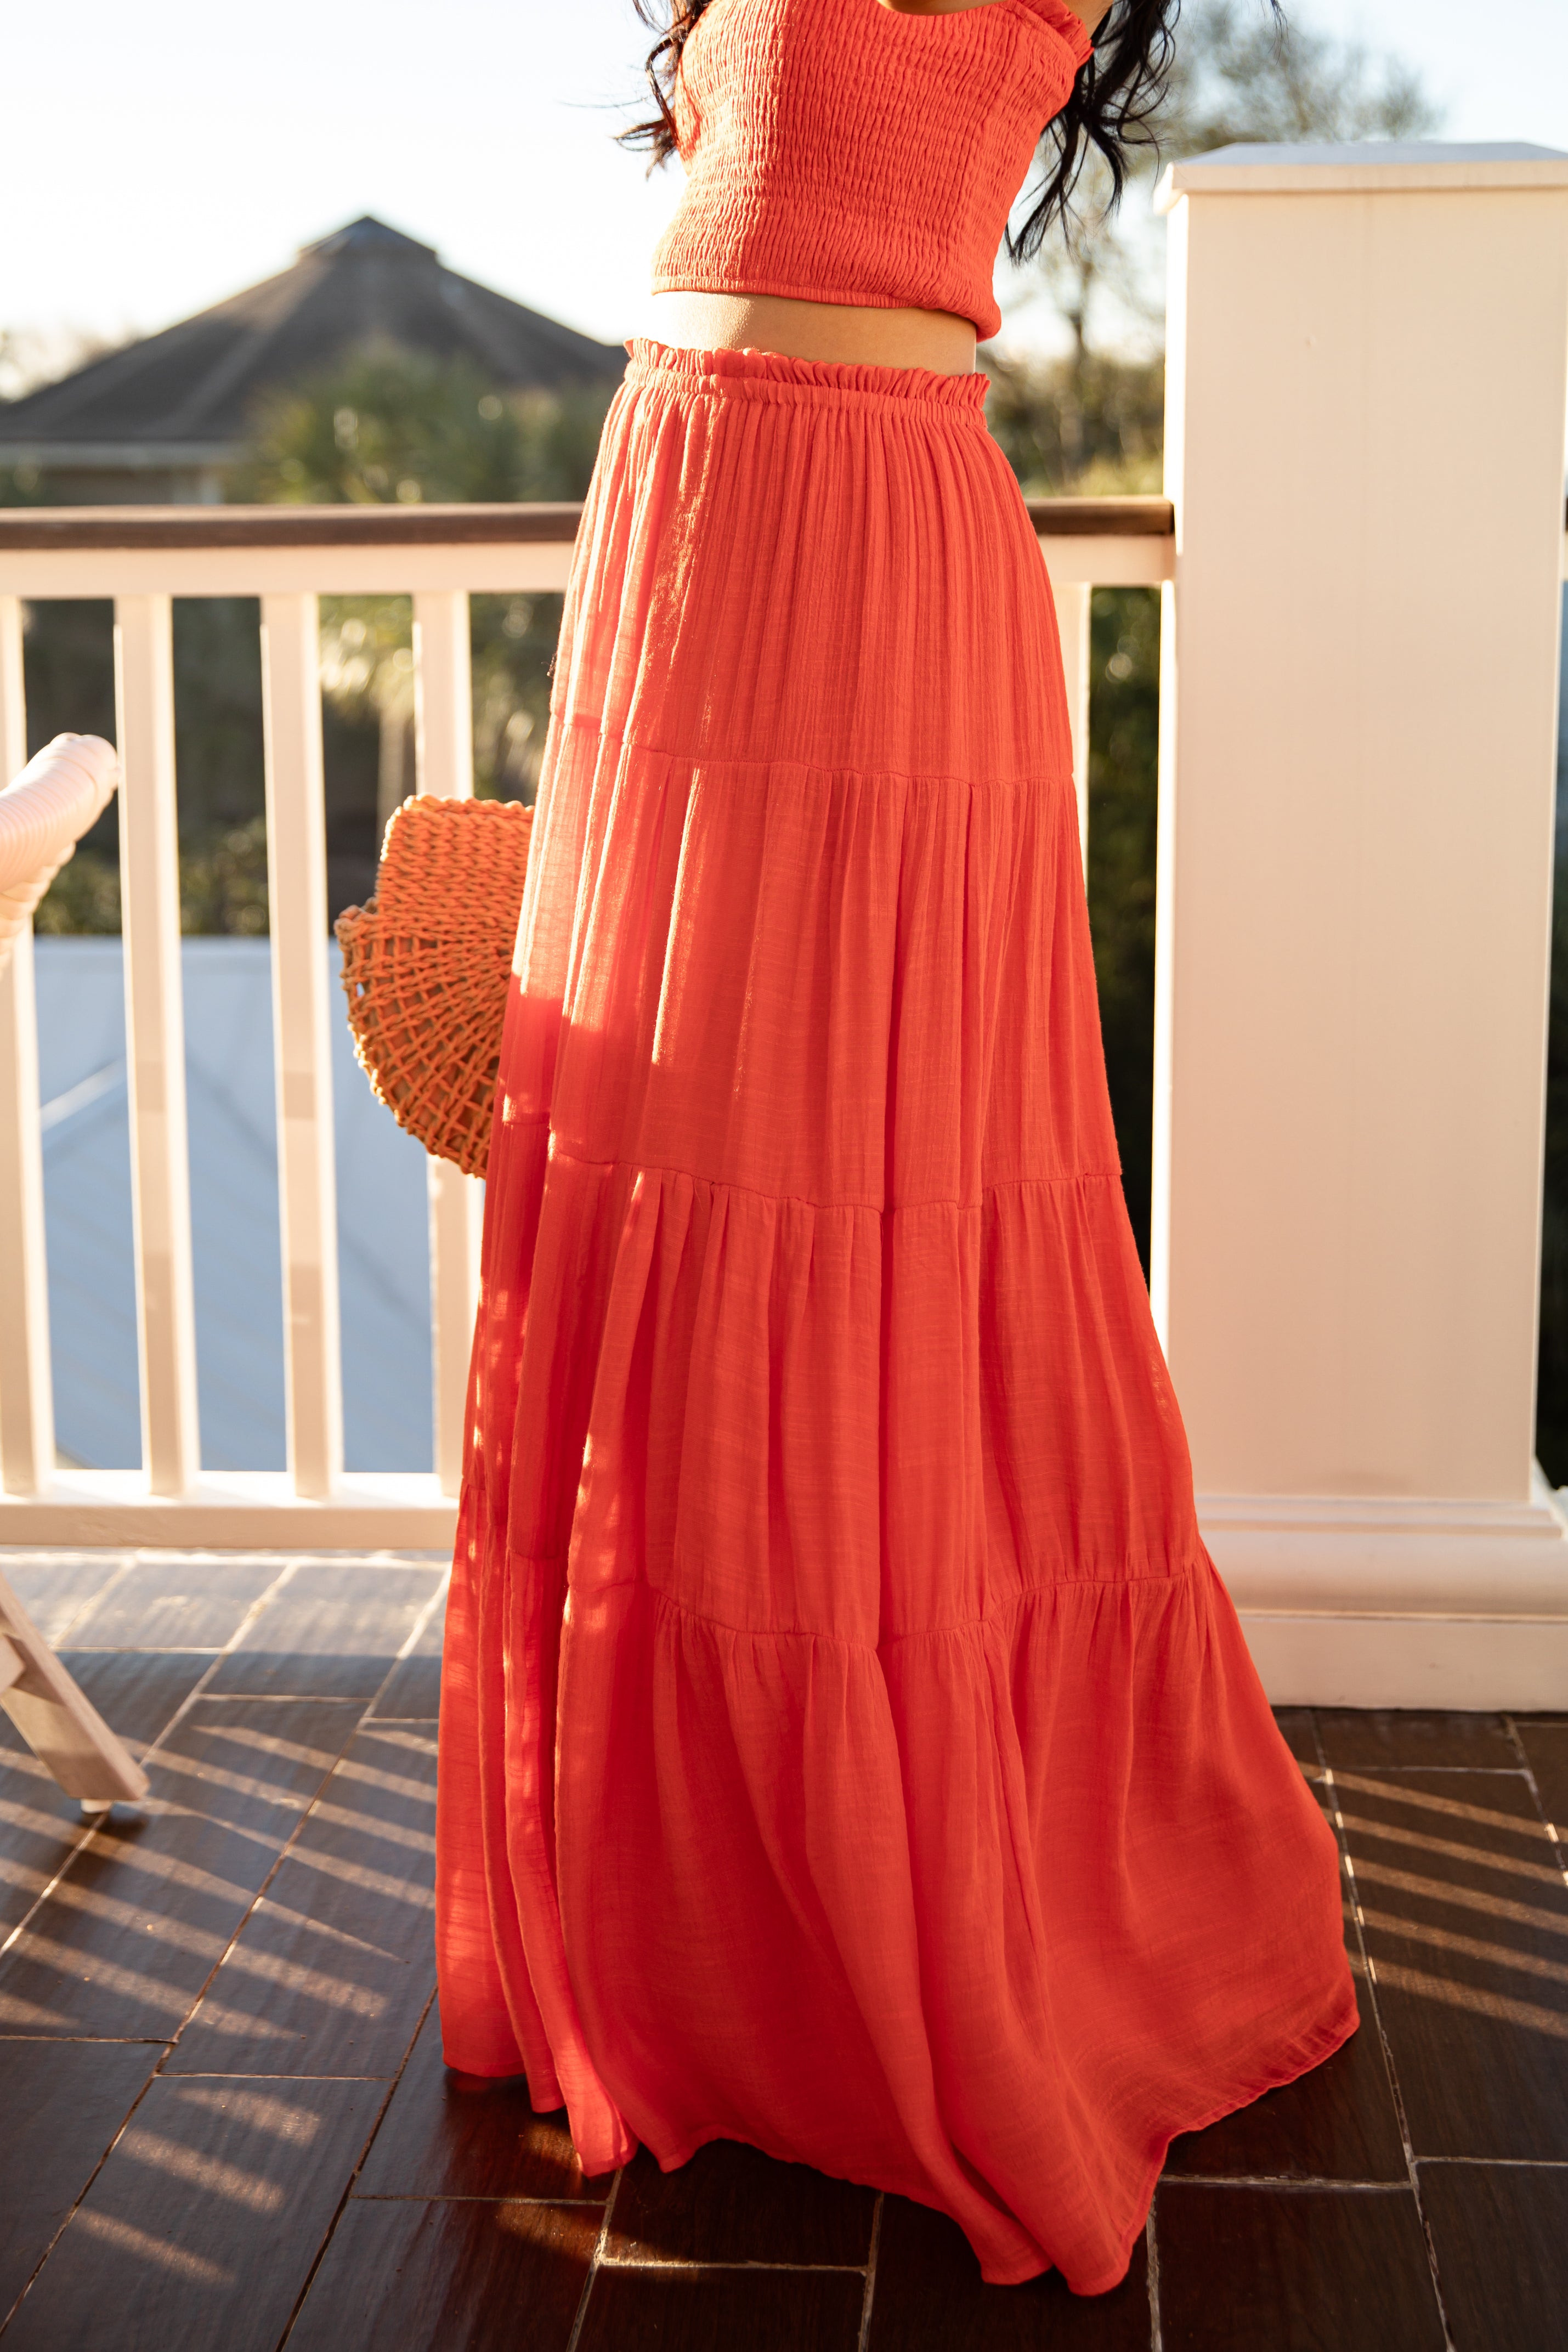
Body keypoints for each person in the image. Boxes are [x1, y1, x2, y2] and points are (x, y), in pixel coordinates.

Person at [434, 0, 1356, 2295]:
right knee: (676, 1153)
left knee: (878, 1192)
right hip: (682, 510)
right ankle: (693, 1894)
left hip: (882, 528)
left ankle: (894, 1877)